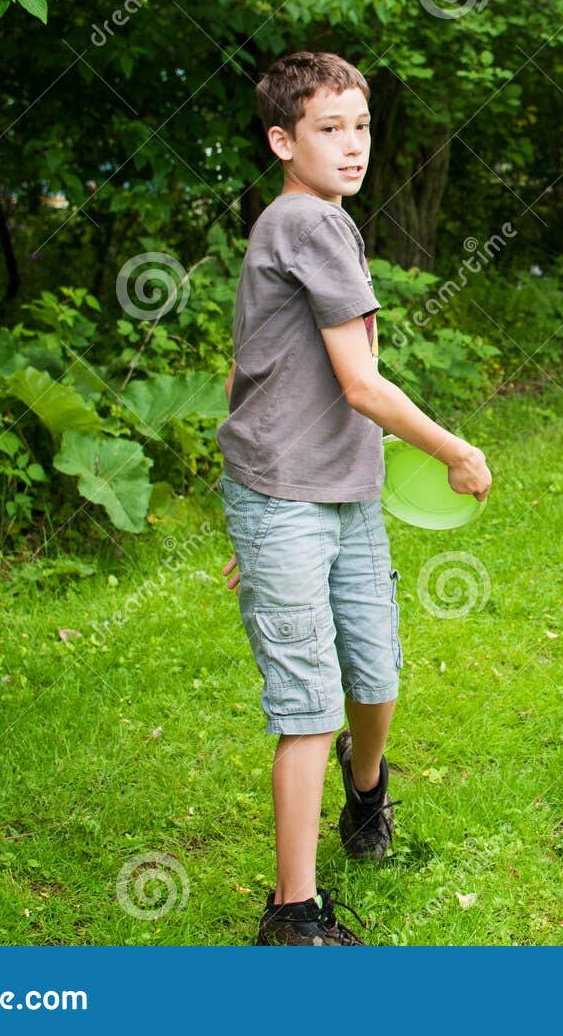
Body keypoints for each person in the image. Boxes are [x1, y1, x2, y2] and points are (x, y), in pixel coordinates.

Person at [216, 51, 492, 946]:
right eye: (328, 129)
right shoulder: (305, 222)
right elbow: (363, 385)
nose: (352, 144)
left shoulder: (324, 221)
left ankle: (365, 791)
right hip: (288, 502)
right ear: (282, 140)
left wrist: (249, 513)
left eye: (361, 126)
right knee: (309, 701)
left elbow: (247, 366)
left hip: (342, 490)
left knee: (375, 675)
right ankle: (292, 911)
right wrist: (456, 450)